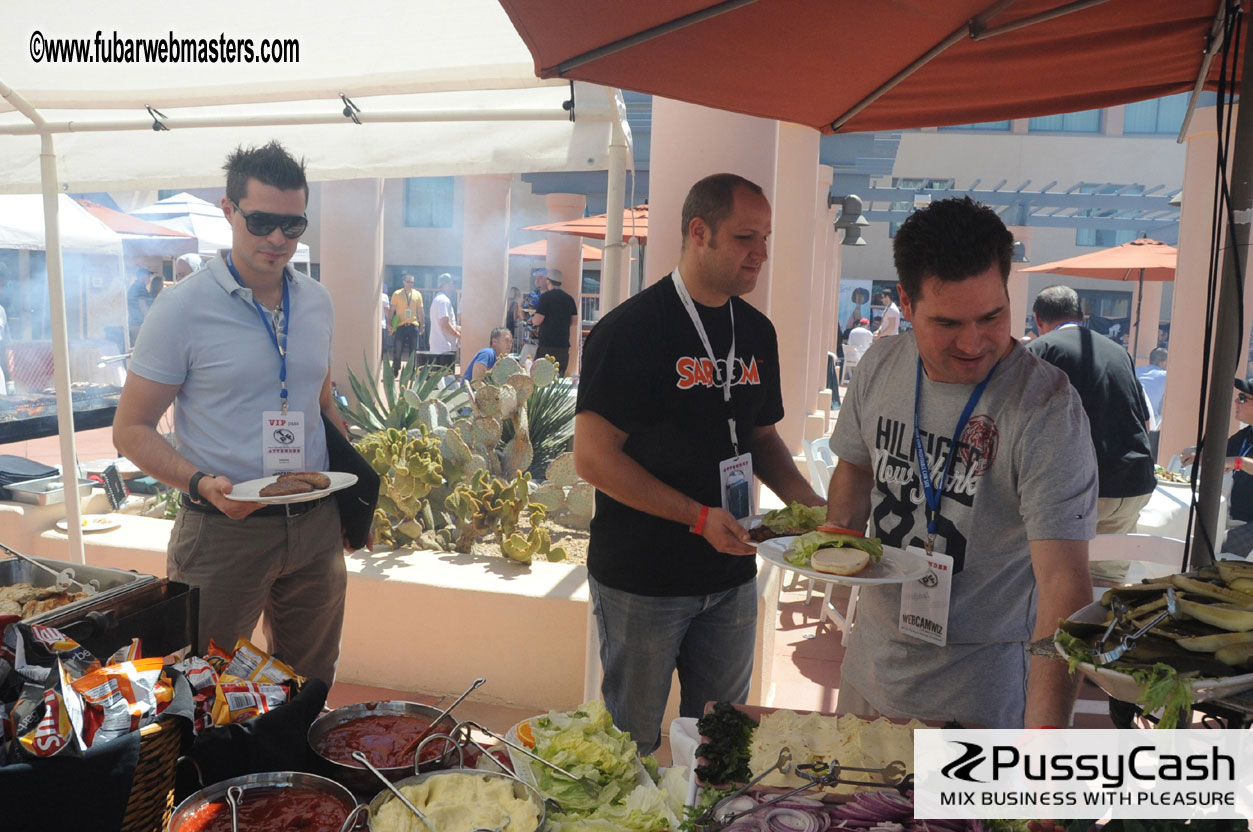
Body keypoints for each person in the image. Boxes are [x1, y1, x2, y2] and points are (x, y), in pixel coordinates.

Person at [824, 196, 1096, 729]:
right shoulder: (881, 366)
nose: (974, 343)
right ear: (905, 300)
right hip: (868, 669)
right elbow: (856, 467)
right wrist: (836, 538)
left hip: (979, 692)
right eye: (948, 322)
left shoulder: (1046, 407)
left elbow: (1064, 584)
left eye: (992, 316)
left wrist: (1045, 748)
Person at [575, 173, 823, 753]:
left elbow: (761, 439)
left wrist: (812, 507)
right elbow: (592, 458)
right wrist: (696, 517)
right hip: (644, 580)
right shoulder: (630, 331)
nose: (760, 253)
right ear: (699, 232)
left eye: (766, 238)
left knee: (721, 742)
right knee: (628, 744)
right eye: (745, 238)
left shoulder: (756, 332)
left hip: (733, 574)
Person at [113, 140, 356, 686]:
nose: (277, 238)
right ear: (229, 210)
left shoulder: (317, 301)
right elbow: (129, 429)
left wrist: (352, 493)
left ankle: (292, 773)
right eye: (261, 221)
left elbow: (320, 404)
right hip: (223, 528)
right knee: (203, 683)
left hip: (314, 524)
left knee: (310, 679)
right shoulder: (182, 307)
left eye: (292, 225)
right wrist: (199, 483)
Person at [1026, 285, 1155, 534]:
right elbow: (1145, 422)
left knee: (1054, 572)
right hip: (1134, 486)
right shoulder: (1120, 352)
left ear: (1037, 319)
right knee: (1109, 573)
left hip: (1079, 491)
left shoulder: (1039, 351)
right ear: (1083, 316)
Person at [1181, 378, 1253, 556]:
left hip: (1248, 525)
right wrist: (1198, 453)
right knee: (1191, 536)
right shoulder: (1246, 434)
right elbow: (1219, 455)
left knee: (1211, 550)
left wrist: (1238, 462)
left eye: (1243, 398)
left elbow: (1234, 460)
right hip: (1236, 517)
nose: (1236, 401)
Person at [532, 268, 579, 375]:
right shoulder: (569, 298)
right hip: (563, 346)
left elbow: (538, 320)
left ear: (548, 281)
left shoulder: (545, 297)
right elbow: (575, 321)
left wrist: (532, 319)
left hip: (547, 345)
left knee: (541, 378)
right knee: (558, 378)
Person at [388, 273, 426, 377]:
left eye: (412, 282)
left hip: (413, 325)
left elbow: (420, 310)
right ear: (403, 282)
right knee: (398, 349)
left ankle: (411, 371)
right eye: (408, 281)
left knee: (413, 350)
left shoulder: (417, 294)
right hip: (401, 325)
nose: (410, 284)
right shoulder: (397, 294)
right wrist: (389, 323)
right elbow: (392, 309)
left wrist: (422, 324)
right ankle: (396, 369)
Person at [428, 273, 460, 367]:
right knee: (446, 379)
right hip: (445, 348)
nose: (455, 286)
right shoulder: (443, 301)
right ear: (445, 284)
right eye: (453, 283)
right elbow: (444, 324)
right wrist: (458, 335)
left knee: (439, 380)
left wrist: (457, 328)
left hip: (439, 347)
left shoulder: (438, 299)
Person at [127, 266, 156, 344]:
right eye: (148, 276)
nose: (149, 279)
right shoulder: (140, 287)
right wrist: (149, 320)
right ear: (143, 276)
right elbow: (142, 305)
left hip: (134, 322)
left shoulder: (135, 286)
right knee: (140, 346)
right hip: (138, 323)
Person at [1136, 347, 1168, 419]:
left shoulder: (1135, 371)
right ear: (1164, 362)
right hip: (1150, 417)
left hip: (1132, 411)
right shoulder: (1165, 376)